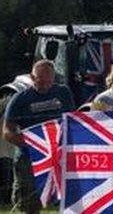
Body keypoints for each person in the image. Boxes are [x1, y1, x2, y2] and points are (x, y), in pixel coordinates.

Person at [3, 60, 75, 214]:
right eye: (40, 79)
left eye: (49, 80)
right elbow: (7, 132)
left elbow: (72, 120)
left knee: (67, 196)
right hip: (29, 158)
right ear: (32, 77)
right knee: (29, 201)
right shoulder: (19, 99)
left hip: (58, 154)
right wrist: (32, 144)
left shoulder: (63, 93)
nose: (44, 84)